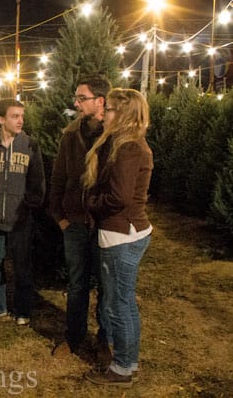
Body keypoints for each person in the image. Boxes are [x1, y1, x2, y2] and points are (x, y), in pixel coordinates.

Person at [82, 88, 153, 387]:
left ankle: (122, 368)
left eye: (109, 109)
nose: (103, 113)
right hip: (124, 230)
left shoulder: (129, 148)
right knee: (123, 301)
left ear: (122, 114)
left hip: (120, 232)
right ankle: (129, 361)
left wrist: (91, 203)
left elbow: (120, 197)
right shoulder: (125, 144)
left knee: (117, 304)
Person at [49, 75, 112, 359]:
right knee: (77, 285)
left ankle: (105, 340)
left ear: (100, 101)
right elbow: (58, 178)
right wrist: (59, 216)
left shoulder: (114, 136)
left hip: (105, 225)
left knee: (106, 286)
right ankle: (73, 338)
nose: (76, 103)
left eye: (81, 98)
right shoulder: (70, 136)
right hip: (74, 223)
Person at [0, 99, 45, 325]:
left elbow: (38, 180)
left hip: (20, 218)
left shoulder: (30, 145)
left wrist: (29, 205)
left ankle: (22, 310)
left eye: (22, 116)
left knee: (22, 265)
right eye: (15, 116)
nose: (21, 120)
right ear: (1, 119)